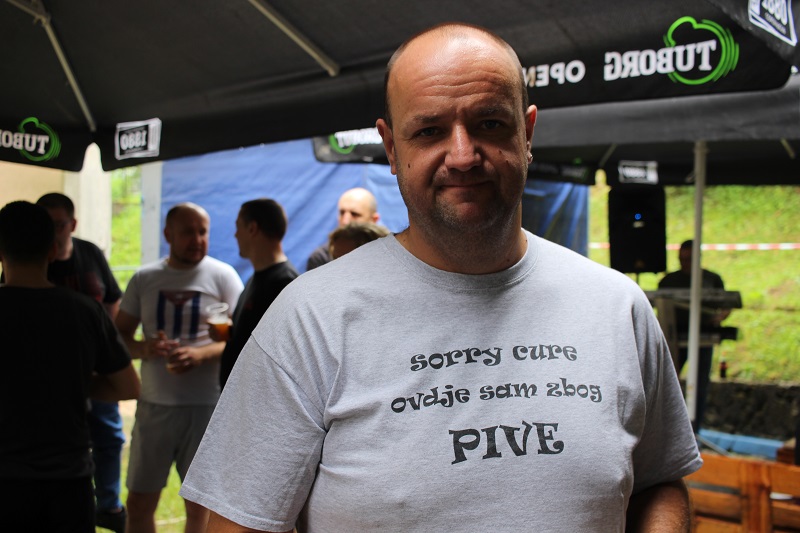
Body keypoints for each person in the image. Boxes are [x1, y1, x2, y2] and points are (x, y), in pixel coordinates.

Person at [181, 23, 701, 532]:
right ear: (391, 147)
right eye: (429, 130)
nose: (462, 155)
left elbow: (658, 481)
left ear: (527, 133)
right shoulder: (309, 319)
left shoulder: (616, 307)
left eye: (490, 123)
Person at [0, 200, 140, 533]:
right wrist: (74, 382)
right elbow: (128, 387)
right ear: (52, 250)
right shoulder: (85, 311)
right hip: (68, 482)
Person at [115, 202, 243, 533]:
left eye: (203, 232)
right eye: (188, 232)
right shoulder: (145, 278)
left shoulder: (223, 276)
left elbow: (243, 339)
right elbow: (119, 337)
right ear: (168, 234)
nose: (197, 240)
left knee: (200, 508)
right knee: (139, 502)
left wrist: (201, 355)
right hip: (155, 405)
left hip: (207, 407)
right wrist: (145, 348)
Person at [34, 192, 129, 532]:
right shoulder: (33, 261)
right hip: (52, 378)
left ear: (72, 224)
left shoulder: (89, 253)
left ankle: (109, 505)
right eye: (46, 225)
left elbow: (112, 299)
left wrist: (103, 349)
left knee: (109, 438)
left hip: (97, 370)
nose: (53, 233)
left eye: (59, 225)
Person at [216, 199, 298, 388]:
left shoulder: (284, 283)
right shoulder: (258, 277)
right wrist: (231, 332)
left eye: (238, 227)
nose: (235, 234)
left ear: (252, 228)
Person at [659, 239, 731, 431]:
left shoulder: (711, 279)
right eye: (682, 259)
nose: (685, 263)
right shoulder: (669, 280)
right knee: (666, 382)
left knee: (700, 384)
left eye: (689, 259)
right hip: (674, 338)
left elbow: (727, 305)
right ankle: (666, 427)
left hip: (703, 338)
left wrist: (718, 318)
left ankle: (694, 428)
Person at [305, 187, 380, 270]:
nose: (345, 221)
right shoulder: (320, 258)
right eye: (342, 213)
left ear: (374, 219)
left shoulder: (386, 253)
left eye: (354, 214)